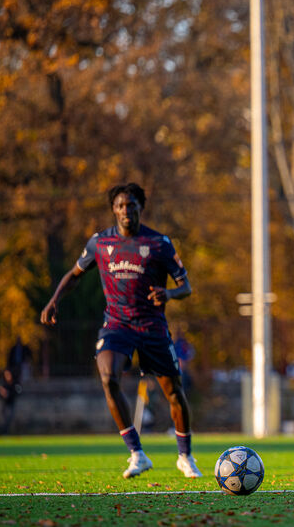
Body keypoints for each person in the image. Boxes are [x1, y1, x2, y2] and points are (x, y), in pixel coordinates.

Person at [40, 183, 201, 479]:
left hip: (152, 326)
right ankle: (137, 453)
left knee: (173, 393)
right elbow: (75, 275)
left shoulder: (159, 243)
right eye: (121, 205)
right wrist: (54, 301)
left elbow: (186, 287)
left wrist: (169, 294)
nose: (126, 210)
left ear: (141, 207)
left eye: (132, 205)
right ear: (114, 209)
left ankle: (185, 455)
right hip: (116, 324)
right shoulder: (100, 243)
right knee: (108, 377)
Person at [0, 368, 21, 436]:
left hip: (11, 403)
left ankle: (4, 432)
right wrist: (2, 393)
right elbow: (0, 394)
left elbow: (18, 392)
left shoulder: (14, 383)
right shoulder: (4, 384)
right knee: (3, 419)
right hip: (4, 404)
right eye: (6, 374)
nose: (7, 376)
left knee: (9, 419)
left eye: (8, 374)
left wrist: (8, 394)